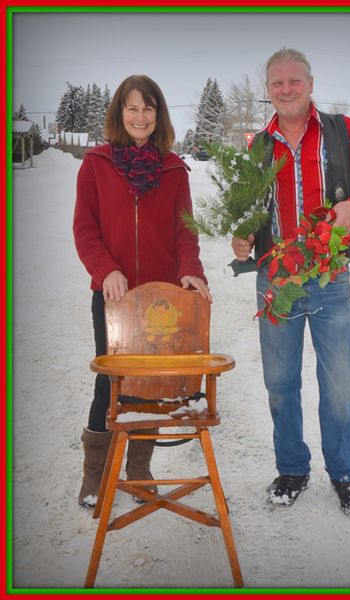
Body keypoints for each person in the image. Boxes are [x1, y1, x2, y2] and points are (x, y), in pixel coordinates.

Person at [232, 48, 350, 518]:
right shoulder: (257, 146)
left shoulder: (343, 133)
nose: (285, 89)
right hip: (274, 277)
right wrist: (242, 236)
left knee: (340, 383)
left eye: (294, 81)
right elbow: (250, 210)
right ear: (268, 90)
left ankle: (345, 474)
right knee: (280, 383)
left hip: (330, 277)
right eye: (277, 83)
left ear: (310, 83)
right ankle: (292, 468)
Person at [73, 74, 211, 508]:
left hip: (161, 299)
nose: (139, 115)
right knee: (111, 384)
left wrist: (190, 270)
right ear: (119, 113)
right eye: (131, 107)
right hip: (114, 297)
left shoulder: (173, 169)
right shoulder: (95, 164)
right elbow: (84, 228)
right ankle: (94, 477)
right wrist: (105, 269)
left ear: (158, 115)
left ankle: (138, 470)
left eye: (147, 108)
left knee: (149, 384)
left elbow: (185, 231)